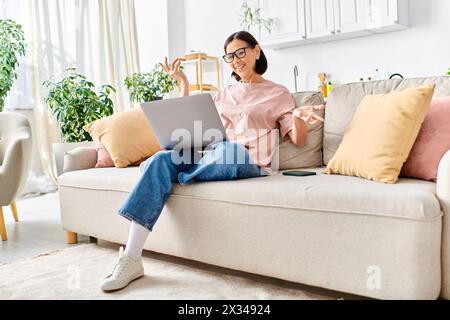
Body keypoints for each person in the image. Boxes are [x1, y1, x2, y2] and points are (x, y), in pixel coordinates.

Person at [100, 31, 325, 291]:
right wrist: (183, 84)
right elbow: (195, 125)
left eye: (241, 52)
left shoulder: (278, 92)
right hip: (209, 154)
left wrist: (297, 115)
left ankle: (177, 178)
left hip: (246, 159)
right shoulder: (223, 94)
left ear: (256, 51)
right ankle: (131, 258)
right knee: (161, 159)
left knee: (230, 150)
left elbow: (297, 139)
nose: (235, 60)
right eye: (229, 56)